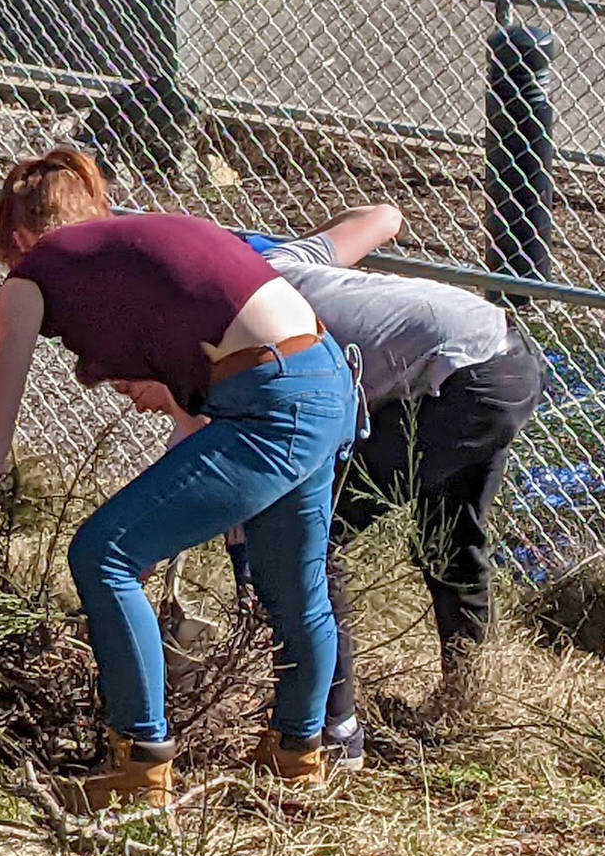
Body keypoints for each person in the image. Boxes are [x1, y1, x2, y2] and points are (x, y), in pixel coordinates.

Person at [0, 150, 356, 808]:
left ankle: (139, 769)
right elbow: (196, 400)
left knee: (103, 554)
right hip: (325, 379)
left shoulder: (31, 276)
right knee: (293, 589)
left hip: (270, 400)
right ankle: (297, 762)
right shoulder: (135, 241)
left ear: (16, 239)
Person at [229, 205, 544, 744]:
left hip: (460, 381)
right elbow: (384, 217)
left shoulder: (246, 317)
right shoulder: (288, 260)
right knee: (448, 540)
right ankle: (468, 695)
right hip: (507, 357)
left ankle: (331, 728)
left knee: (302, 540)